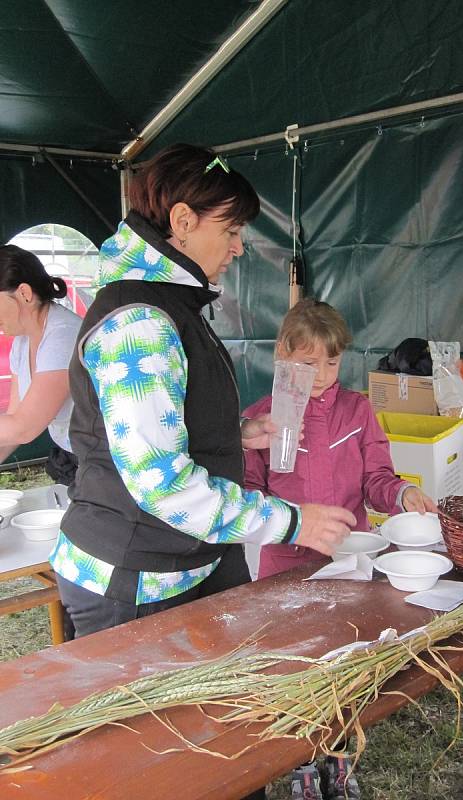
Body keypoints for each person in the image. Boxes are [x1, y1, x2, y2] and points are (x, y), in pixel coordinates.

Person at [50, 144, 355, 646]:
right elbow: (161, 483)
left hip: (193, 558)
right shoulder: (139, 322)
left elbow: (162, 424)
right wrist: (291, 521)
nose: (238, 248)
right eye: (231, 231)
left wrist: (234, 435)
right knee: (162, 726)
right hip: (135, 578)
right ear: (184, 220)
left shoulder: (171, 302)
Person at [242, 298, 437, 800]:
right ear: (283, 356)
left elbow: (376, 477)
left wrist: (400, 494)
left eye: (333, 362)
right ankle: (301, 763)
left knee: (347, 658)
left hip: (352, 558)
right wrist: (282, 524)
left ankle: (339, 757)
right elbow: (249, 495)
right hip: (285, 566)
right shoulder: (262, 419)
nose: (324, 374)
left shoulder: (358, 409)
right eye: (309, 364)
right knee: (292, 662)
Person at [0, 245, 81, 484]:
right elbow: (14, 421)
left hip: (104, 464)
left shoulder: (63, 335)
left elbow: (24, 427)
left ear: (24, 293)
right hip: (71, 458)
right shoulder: (22, 342)